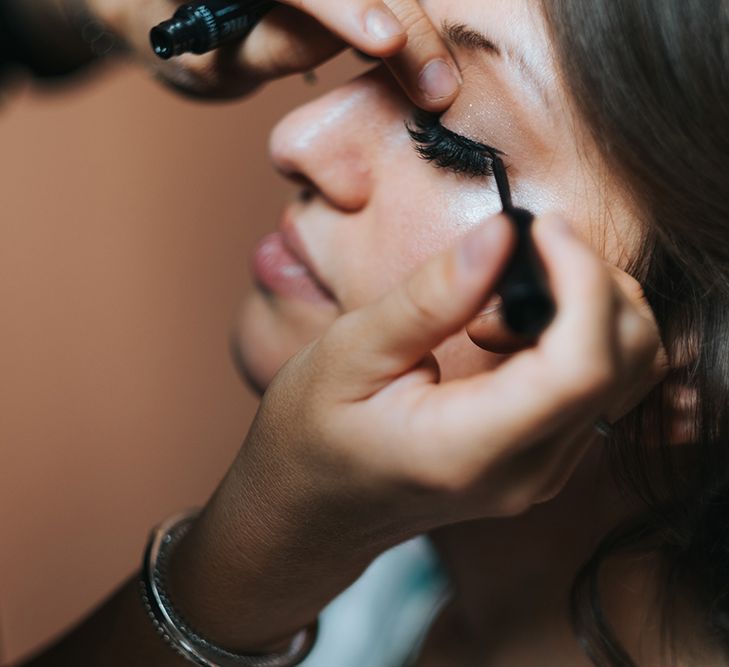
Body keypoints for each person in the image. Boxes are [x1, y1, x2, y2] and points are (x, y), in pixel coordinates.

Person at [4, 1, 728, 666]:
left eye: (451, 137)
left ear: (690, 370)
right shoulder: (377, 594)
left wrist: (239, 568)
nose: (296, 137)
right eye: (366, 65)